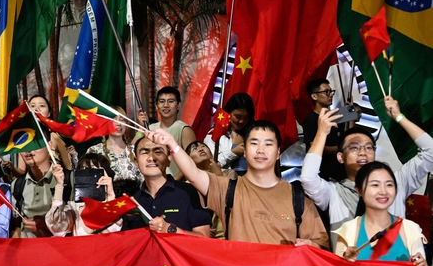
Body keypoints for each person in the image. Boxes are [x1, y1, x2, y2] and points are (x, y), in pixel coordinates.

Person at [156, 122, 329, 247]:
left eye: (268, 144)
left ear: (277, 153)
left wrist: (310, 246)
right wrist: (172, 143)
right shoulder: (228, 189)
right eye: (254, 143)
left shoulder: (296, 197)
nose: (260, 150)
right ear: (244, 151)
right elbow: (193, 174)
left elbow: (320, 244)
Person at [301, 96, 433, 248]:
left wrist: (398, 116)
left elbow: (430, 151)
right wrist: (322, 133)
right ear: (340, 157)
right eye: (354, 148)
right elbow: (307, 177)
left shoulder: (396, 183)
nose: (363, 152)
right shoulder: (333, 192)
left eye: (369, 147)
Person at [122, 136, 210, 236]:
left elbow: (204, 238)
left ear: (169, 160)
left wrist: (170, 229)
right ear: (136, 161)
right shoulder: (132, 202)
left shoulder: (189, 192)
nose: (151, 158)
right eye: (145, 152)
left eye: (158, 152)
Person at [138, 87, 196, 179]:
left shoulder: (184, 129)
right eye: (161, 101)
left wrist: (173, 181)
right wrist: (140, 128)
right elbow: (133, 152)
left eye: (171, 101)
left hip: (177, 185)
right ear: (156, 106)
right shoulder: (151, 128)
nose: (166, 105)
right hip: (153, 182)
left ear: (178, 105)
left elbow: (193, 160)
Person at [86, 108, 142, 191]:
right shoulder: (95, 151)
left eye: (122, 120)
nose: (118, 123)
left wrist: (141, 128)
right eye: (113, 120)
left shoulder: (135, 150)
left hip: (135, 200)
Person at [301, 78, 346, 181]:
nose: (330, 95)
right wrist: (340, 148)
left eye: (331, 91)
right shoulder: (311, 119)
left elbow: (346, 135)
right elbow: (315, 147)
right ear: (314, 96)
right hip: (323, 174)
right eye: (326, 92)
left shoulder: (335, 116)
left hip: (340, 172)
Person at [204, 92, 254, 174]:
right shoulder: (216, 134)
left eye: (246, 117)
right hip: (225, 182)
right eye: (237, 117)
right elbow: (209, 164)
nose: (242, 121)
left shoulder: (253, 133)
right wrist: (233, 152)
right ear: (228, 113)